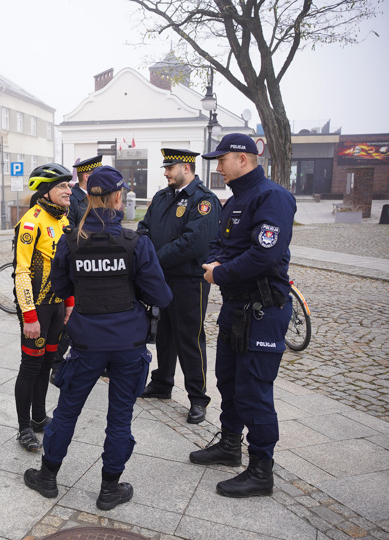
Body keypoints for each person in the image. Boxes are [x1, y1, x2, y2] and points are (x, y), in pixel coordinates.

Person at [23, 165, 172, 511]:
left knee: (67, 412)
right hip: (128, 346)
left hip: (87, 344)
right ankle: (109, 489)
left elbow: (59, 288)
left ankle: (47, 476)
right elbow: (162, 296)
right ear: (118, 198)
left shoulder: (71, 240)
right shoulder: (137, 243)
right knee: (119, 418)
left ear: (89, 197)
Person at [190, 133, 296, 498]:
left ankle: (260, 470)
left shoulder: (272, 198)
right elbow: (222, 242)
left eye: (222, 160)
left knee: (254, 392)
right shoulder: (235, 199)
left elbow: (264, 255)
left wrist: (218, 273)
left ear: (243, 159)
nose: (217, 167)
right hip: (237, 308)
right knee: (229, 382)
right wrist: (215, 260)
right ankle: (230, 445)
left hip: (263, 310)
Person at [138, 149, 222, 424]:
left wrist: (153, 260)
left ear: (186, 168)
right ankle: (163, 382)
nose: (165, 173)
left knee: (189, 338)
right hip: (163, 279)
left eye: (169, 168)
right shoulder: (162, 198)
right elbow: (144, 229)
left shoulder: (204, 201)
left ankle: (198, 397)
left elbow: (193, 243)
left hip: (189, 281)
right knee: (163, 333)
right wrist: (144, 252)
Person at [12, 163, 74, 453]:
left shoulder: (63, 220)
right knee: (31, 367)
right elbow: (22, 271)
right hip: (36, 308)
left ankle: (39, 417)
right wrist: (29, 315)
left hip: (58, 307)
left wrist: (70, 303)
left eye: (69, 185)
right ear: (46, 190)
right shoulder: (30, 222)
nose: (69, 189)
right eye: (62, 185)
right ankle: (24, 427)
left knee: (48, 364)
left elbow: (66, 267)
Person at [49, 155, 104, 380]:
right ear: (87, 176)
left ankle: (96, 358)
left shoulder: (98, 196)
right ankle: (56, 363)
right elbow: (68, 233)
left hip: (99, 265)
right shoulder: (74, 200)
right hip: (80, 267)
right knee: (69, 320)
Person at [67, 155, 102, 228]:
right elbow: (70, 232)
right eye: (99, 175)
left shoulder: (100, 195)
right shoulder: (70, 199)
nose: (102, 178)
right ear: (86, 177)